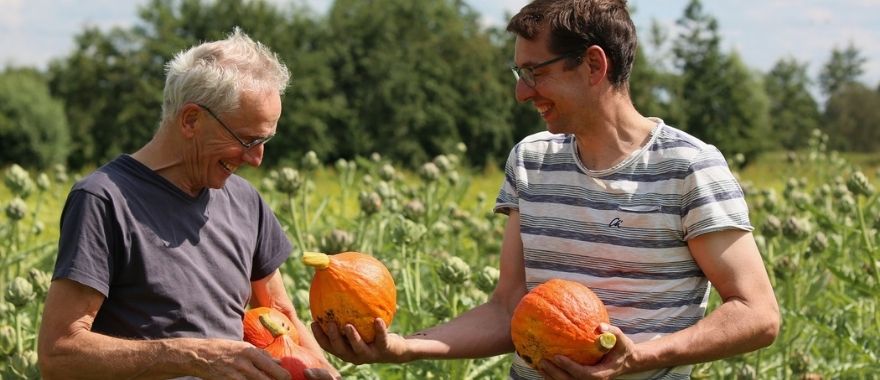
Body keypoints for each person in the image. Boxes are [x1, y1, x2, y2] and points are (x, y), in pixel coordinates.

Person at [311, 0, 780, 379]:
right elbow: (509, 308)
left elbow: (757, 314)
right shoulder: (531, 160)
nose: (521, 92)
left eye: (535, 72)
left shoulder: (689, 167)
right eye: (519, 74)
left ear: (594, 65)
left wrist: (643, 358)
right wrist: (403, 348)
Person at [37, 28, 338, 380]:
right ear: (191, 120)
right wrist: (189, 356)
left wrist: (328, 374)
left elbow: (280, 313)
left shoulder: (245, 200)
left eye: (265, 140)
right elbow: (58, 354)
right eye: (247, 139)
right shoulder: (104, 200)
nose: (257, 159)